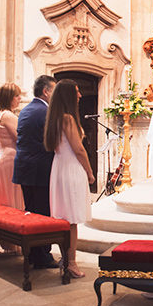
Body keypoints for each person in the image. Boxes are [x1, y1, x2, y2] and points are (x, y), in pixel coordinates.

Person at [44, 79, 95, 279]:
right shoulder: (68, 119)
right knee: (71, 220)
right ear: (68, 96)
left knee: (65, 217)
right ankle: (71, 262)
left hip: (59, 167)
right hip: (71, 167)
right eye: (76, 92)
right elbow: (79, 149)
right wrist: (90, 172)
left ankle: (66, 259)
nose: (80, 95)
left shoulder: (54, 117)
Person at [14, 75, 59, 269]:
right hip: (40, 168)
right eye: (54, 90)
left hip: (25, 168)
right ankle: (42, 256)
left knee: (31, 211)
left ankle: (32, 252)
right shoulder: (45, 112)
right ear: (46, 91)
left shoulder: (26, 110)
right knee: (42, 214)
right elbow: (52, 140)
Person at [0, 83, 24, 255]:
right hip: (11, 158)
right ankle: (15, 241)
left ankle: (9, 240)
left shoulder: (0, 114)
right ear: (8, 98)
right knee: (13, 199)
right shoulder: (8, 115)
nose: (19, 98)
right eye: (17, 96)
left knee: (7, 198)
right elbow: (20, 137)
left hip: (4, 157)